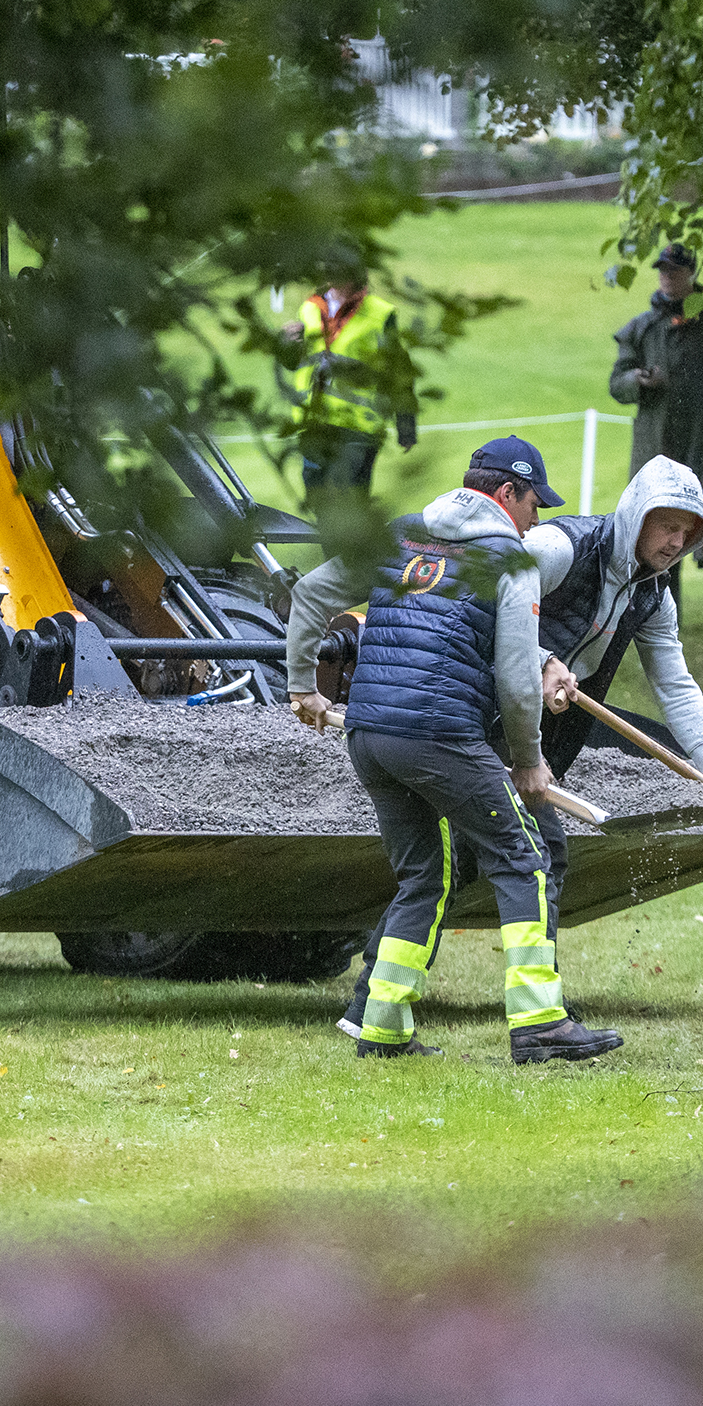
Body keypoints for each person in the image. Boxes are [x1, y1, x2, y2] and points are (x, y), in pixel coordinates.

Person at [286, 436, 623, 1065]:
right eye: (533, 506)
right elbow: (518, 676)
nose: (538, 521)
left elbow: (310, 593)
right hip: (439, 737)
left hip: (369, 736)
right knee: (526, 859)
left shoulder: (399, 534)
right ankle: (541, 1022)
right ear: (506, 493)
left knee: (426, 875)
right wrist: (527, 760)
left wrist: (302, 686)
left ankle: (382, 1027)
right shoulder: (510, 562)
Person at [524, 456, 703, 932]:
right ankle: (539, 1001)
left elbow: (676, 687)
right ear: (636, 516)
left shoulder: (652, 595)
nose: (677, 543)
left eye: (688, 533)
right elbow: (475, 608)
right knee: (535, 854)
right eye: (668, 527)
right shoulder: (556, 548)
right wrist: (540, 660)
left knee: (526, 855)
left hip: (536, 737)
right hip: (469, 713)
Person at [608, 243, 703, 632]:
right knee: (657, 523)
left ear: (691, 274)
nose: (667, 277)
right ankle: (662, 614)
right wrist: (638, 380)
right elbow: (617, 382)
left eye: (674, 271)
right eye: (662, 271)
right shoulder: (643, 328)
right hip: (657, 442)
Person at [281, 257, 417, 501]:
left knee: (351, 504)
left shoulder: (380, 313)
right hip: (314, 422)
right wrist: (285, 345)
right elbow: (294, 363)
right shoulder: (310, 308)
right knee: (317, 500)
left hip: (358, 428)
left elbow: (399, 371)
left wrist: (405, 424)